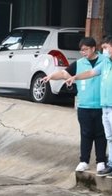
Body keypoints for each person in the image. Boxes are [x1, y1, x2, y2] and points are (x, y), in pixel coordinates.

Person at [67, 36, 112, 177]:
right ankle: (110, 163)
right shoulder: (106, 62)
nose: (103, 50)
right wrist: (75, 77)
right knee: (109, 136)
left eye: (105, 47)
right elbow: (91, 73)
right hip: (105, 105)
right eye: (103, 48)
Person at [43, 37, 108, 173]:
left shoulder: (105, 61)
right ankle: (84, 161)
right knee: (85, 133)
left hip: (102, 105)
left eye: (85, 50)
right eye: (81, 50)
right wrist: (51, 76)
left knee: (100, 134)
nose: (83, 52)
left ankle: (101, 161)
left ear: (93, 48)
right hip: (84, 105)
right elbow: (64, 73)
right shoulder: (79, 63)